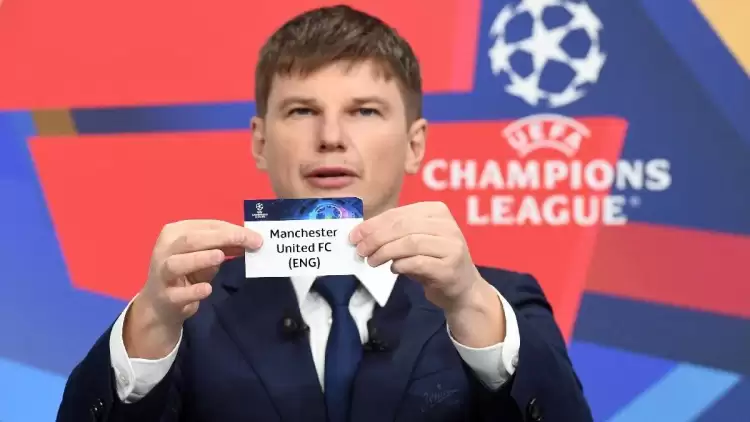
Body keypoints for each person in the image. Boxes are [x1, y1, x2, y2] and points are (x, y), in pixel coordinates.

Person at [56, 5, 592, 422]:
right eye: (302, 110)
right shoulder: (188, 312)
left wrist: (471, 304)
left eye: (364, 111)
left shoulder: (500, 302)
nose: (331, 137)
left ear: (415, 145)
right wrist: (151, 321)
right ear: (260, 141)